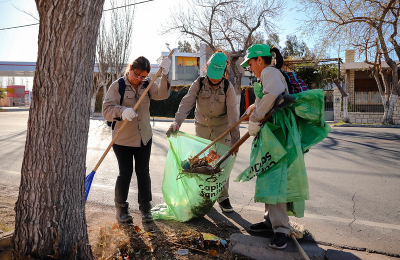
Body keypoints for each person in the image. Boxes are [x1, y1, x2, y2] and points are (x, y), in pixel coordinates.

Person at [166, 51, 240, 213]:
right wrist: (176, 122)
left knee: (220, 163)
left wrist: (235, 140)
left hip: (222, 128)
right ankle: (203, 195)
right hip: (202, 127)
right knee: (202, 162)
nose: (213, 79)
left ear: (224, 72)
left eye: (217, 76)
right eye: (211, 74)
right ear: (207, 69)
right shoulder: (198, 83)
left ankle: (223, 197)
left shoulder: (228, 88)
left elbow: (233, 115)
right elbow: (187, 103)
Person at [102, 56, 171, 224]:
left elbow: (162, 95)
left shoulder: (147, 85)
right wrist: (122, 111)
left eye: (143, 76)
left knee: (143, 173)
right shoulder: (117, 85)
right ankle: (121, 209)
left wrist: (165, 75)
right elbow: (106, 110)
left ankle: (146, 208)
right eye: (137, 75)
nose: (139, 79)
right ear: (130, 68)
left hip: (144, 138)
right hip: (123, 140)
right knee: (125, 173)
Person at [241, 44, 292, 249]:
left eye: (251, 63)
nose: (250, 68)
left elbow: (275, 93)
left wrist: (255, 117)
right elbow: (268, 96)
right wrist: (255, 107)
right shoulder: (267, 74)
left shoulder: (269, 71)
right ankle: (270, 221)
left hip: (277, 134)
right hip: (272, 133)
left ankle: (281, 229)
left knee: (275, 178)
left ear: (260, 60)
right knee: (268, 175)